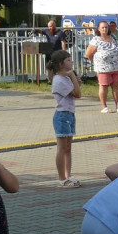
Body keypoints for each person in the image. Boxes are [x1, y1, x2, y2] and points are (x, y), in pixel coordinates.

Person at [49, 49, 82, 187]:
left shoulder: (66, 78)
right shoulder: (59, 80)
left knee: (68, 148)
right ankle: (62, 178)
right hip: (62, 115)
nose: (71, 62)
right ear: (61, 64)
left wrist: (75, 81)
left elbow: (75, 90)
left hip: (69, 114)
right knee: (62, 148)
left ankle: (69, 175)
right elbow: (78, 94)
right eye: (68, 60)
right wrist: (74, 78)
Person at [85, 20, 118, 113]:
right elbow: (88, 54)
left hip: (116, 67)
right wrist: (96, 61)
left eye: (106, 27)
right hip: (103, 68)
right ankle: (104, 106)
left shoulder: (113, 37)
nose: (104, 29)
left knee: (116, 87)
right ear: (98, 29)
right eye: (102, 27)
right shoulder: (96, 40)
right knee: (104, 86)